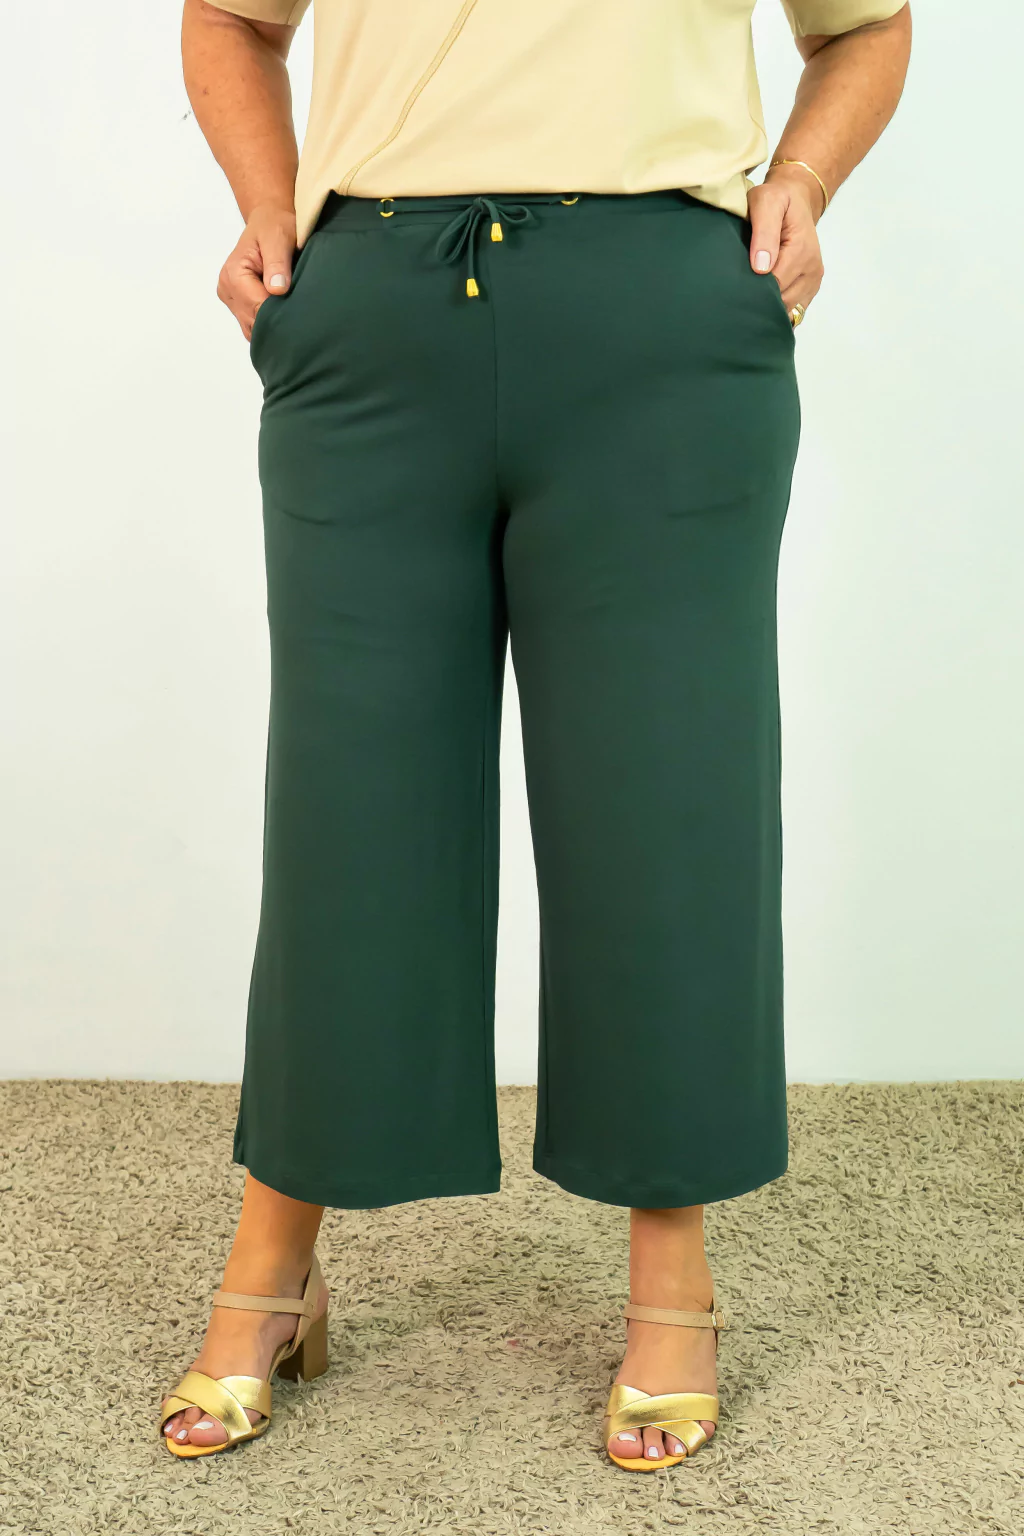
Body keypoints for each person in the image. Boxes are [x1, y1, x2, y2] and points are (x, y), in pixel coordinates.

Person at [160, 0, 911, 1470]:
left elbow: (867, 28)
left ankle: (672, 1270)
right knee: (350, 807)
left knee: (662, 802)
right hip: (372, 310)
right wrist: (269, 206)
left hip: (665, 321)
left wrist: (803, 185)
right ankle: (276, 1260)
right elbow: (230, 20)